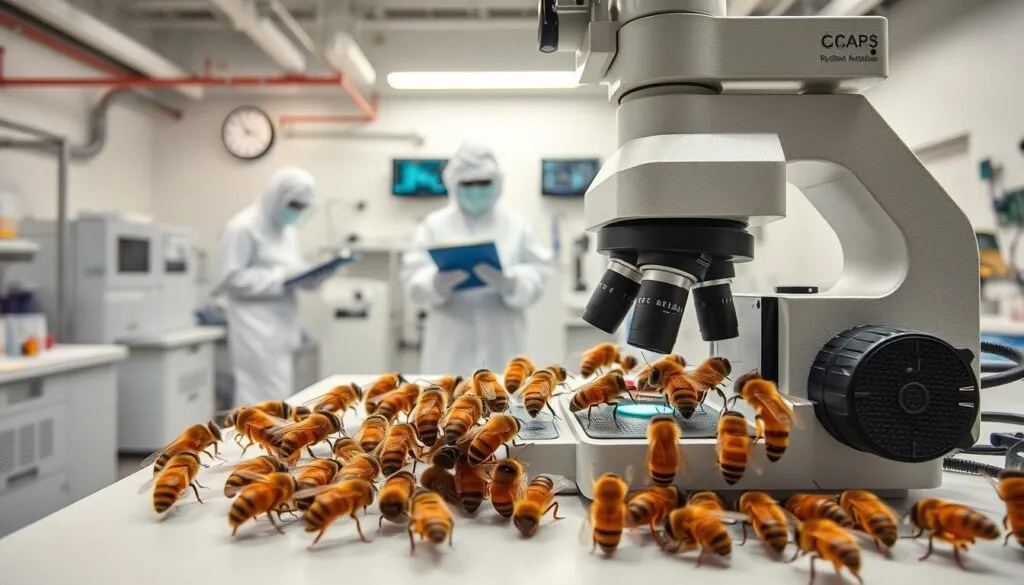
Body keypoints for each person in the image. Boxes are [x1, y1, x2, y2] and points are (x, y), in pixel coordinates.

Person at [402, 141, 553, 374]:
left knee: (503, 404)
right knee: (446, 404)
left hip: (503, 344)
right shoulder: (434, 225)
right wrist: (434, 282)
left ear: (497, 183)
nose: (476, 189)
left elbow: (540, 273)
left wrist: (513, 282)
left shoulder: (516, 225)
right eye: (468, 183)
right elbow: (412, 278)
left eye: (483, 182)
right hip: (448, 345)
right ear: (453, 184)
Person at [216, 167, 332, 405]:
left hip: (282, 326)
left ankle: (272, 441)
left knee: (278, 397)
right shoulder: (242, 228)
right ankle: (254, 442)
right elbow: (230, 279)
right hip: (254, 329)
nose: (296, 212)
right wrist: (281, 277)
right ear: (276, 196)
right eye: (294, 206)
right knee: (258, 397)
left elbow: (289, 273)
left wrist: (311, 277)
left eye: (302, 208)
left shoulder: (286, 231)